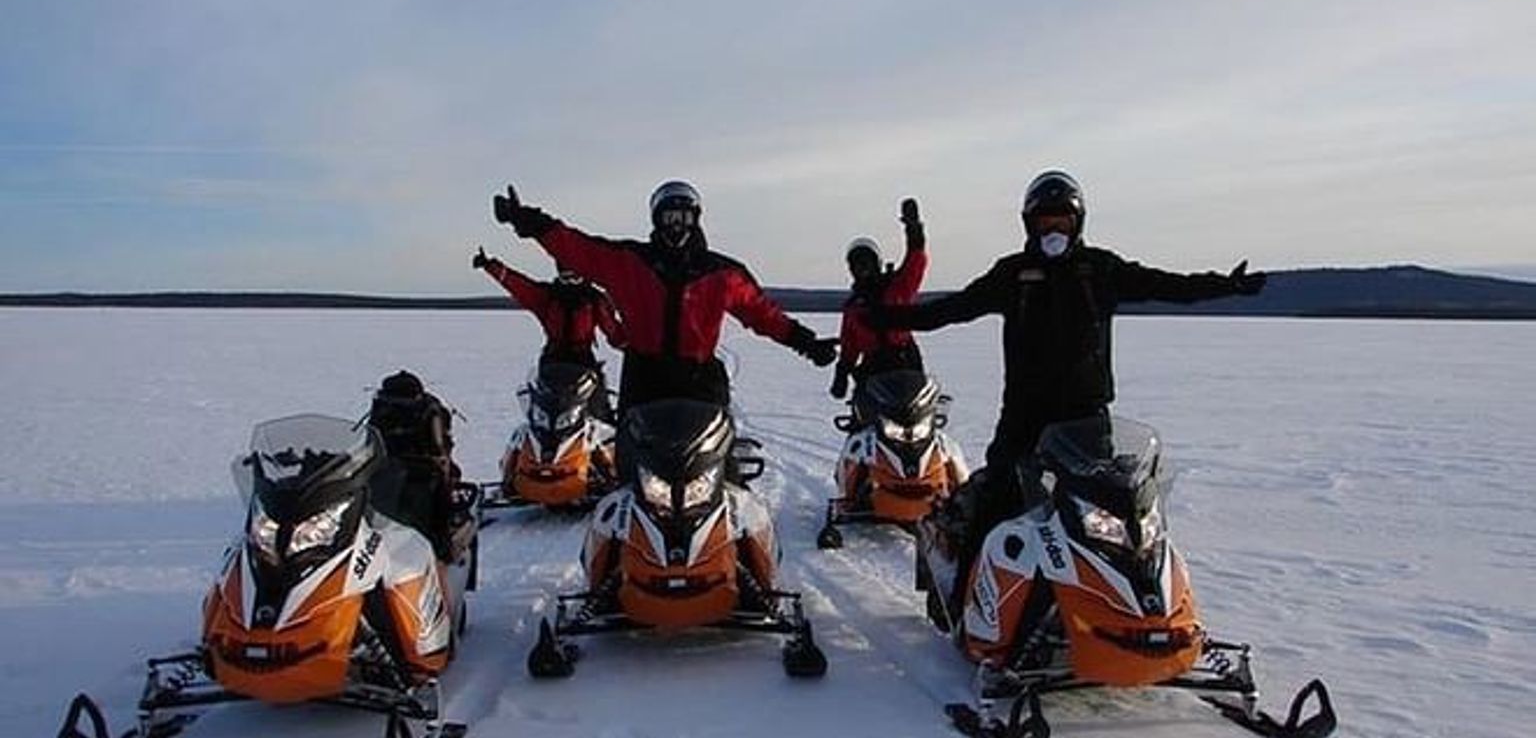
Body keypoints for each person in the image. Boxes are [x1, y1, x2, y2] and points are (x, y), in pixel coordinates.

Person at [874, 170, 1267, 545]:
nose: (1054, 231)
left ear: (1077, 223)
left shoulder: (1099, 270)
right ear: (1030, 224)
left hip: (1086, 417)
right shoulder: (1013, 274)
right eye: (1045, 223)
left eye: (1061, 222)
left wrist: (1226, 285)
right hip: (1025, 415)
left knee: (1105, 517)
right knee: (995, 503)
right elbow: (952, 309)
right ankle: (963, 586)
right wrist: (890, 318)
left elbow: (1167, 286)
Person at [492, 180, 838, 415]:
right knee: (631, 469)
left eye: (683, 217)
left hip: (699, 380)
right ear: (656, 220)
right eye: (669, 217)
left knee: (720, 468)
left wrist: (806, 342)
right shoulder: (630, 262)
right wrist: (530, 221)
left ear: (695, 219)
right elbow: (578, 248)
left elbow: (764, 314)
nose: (676, 225)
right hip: (645, 378)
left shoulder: (722, 272)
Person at [831, 197, 928, 406]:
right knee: (864, 416)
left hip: (906, 368)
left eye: (866, 263)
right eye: (857, 264)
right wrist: (841, 374)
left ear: (876, 263)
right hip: (873, 373)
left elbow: (916, 262)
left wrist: (914, 229)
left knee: (917, 415)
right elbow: (849, 346)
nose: (862, 268)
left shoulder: (897, 287)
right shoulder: (853, 308)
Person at [473, 248, 626, 369]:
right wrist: (491, 266)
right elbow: (520, 286)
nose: (571, 283)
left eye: (575, 278)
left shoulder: (593, 299)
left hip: (582, 361)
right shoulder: (548, 296)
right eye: (566, 278)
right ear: (559, 275)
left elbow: (611, 328)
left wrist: (628, 346)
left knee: (595, 391)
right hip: (553, 360)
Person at [366, 370, 461, 559]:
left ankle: (439, 550)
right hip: (389, 467)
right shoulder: (386, 410)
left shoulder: (429, 413)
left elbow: (439, 448)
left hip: (419, 470)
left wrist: (439, 464)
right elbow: (371, 438)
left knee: (431, 504)